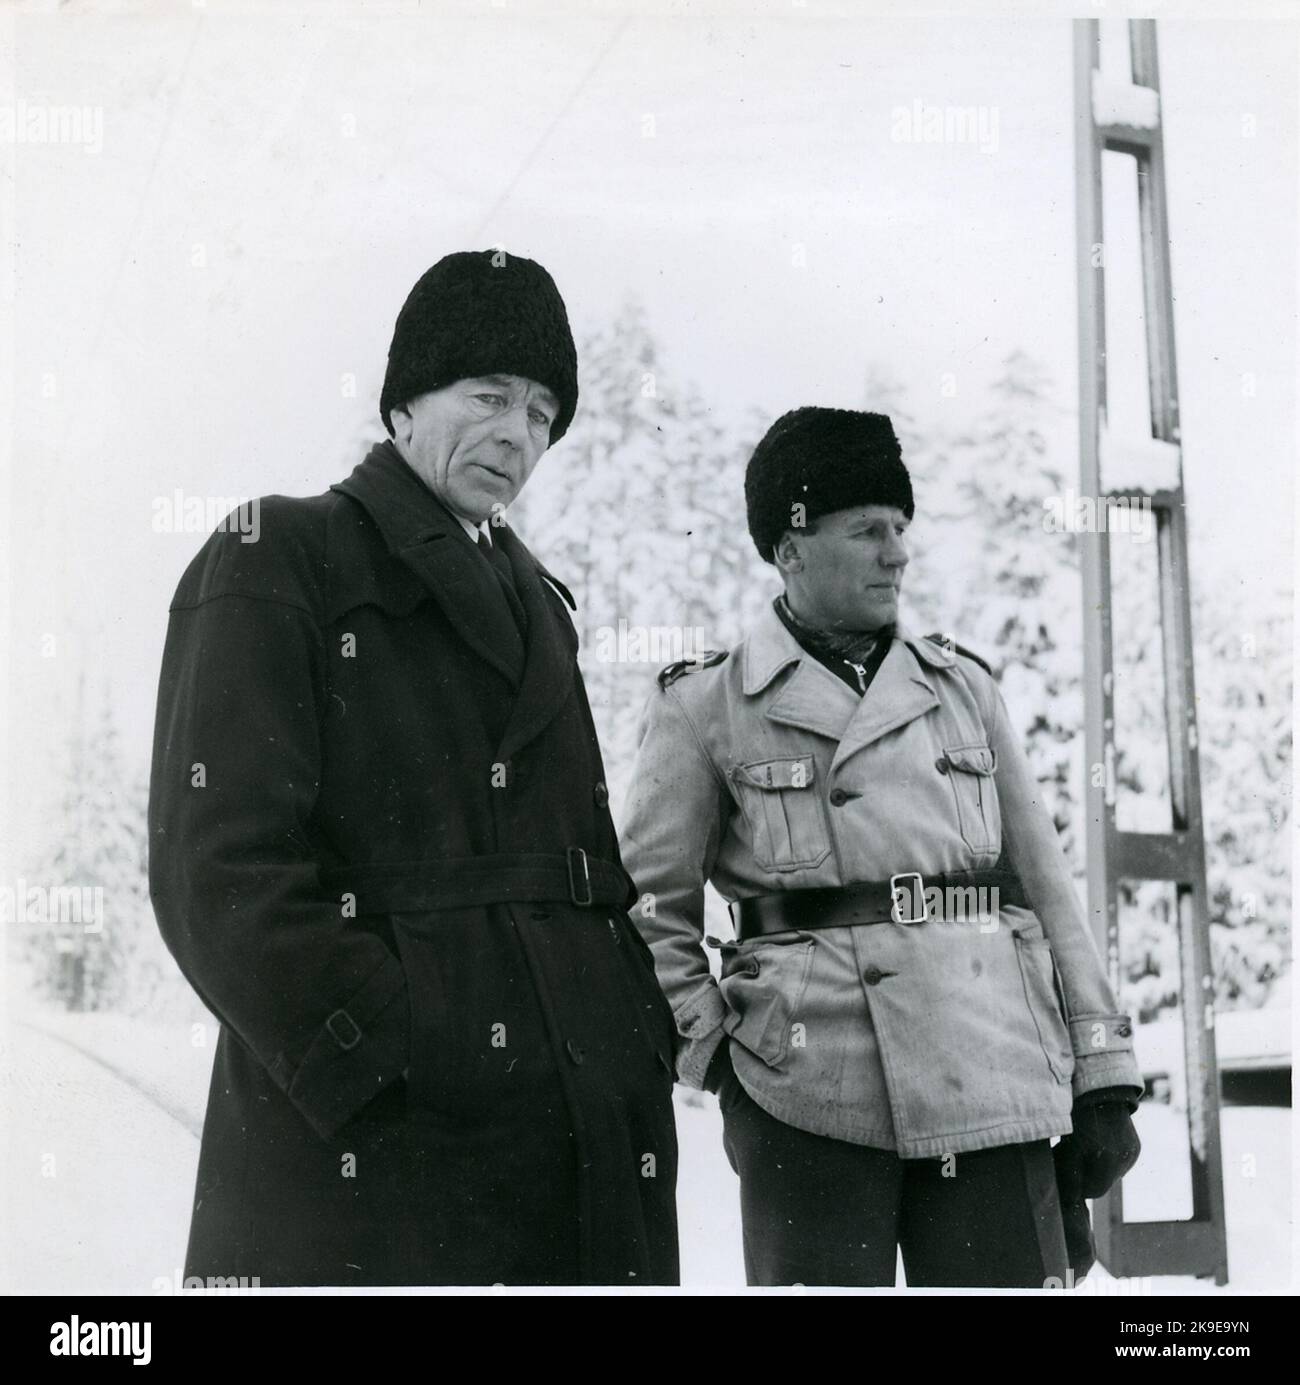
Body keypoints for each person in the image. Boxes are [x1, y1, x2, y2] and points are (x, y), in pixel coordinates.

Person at [148, 249, 679, 1287]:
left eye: (540, 412)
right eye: (488, 394)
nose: (517, 434)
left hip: (579, 1128)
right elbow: (217, 871)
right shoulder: (280, 553)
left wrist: (629, 1040)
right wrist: (393, 1041)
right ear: (402, 403)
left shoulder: (543, 609)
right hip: (385, 1143)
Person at [620, 406, 1141, 1287]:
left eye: (900, 529)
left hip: (992, 1079)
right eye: (867, 530)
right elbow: (648, 913)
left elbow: (1046, 889)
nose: (897, 552)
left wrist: (1103, 1072)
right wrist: (723, 1064)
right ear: (790, 547)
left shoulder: (964, 688)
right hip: (811, 1095)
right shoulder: (706, 706)